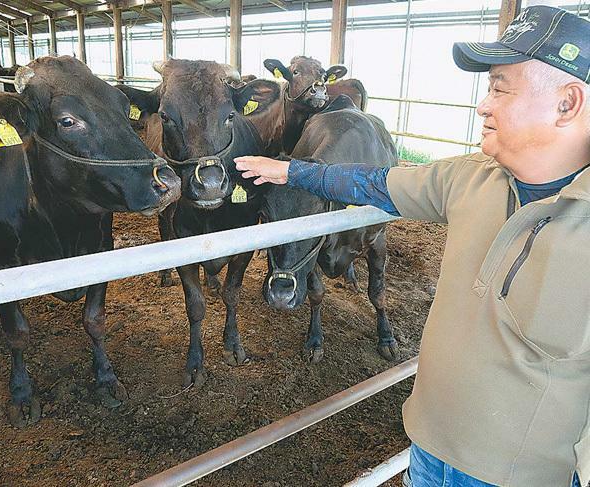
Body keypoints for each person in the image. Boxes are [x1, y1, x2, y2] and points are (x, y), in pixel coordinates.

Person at [235, 6, 590, 487]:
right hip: (425, 450)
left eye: (500, 87)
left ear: (567, 104)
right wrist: (291, 171)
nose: (483, 105)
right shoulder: (468, 179)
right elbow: (377, 182)